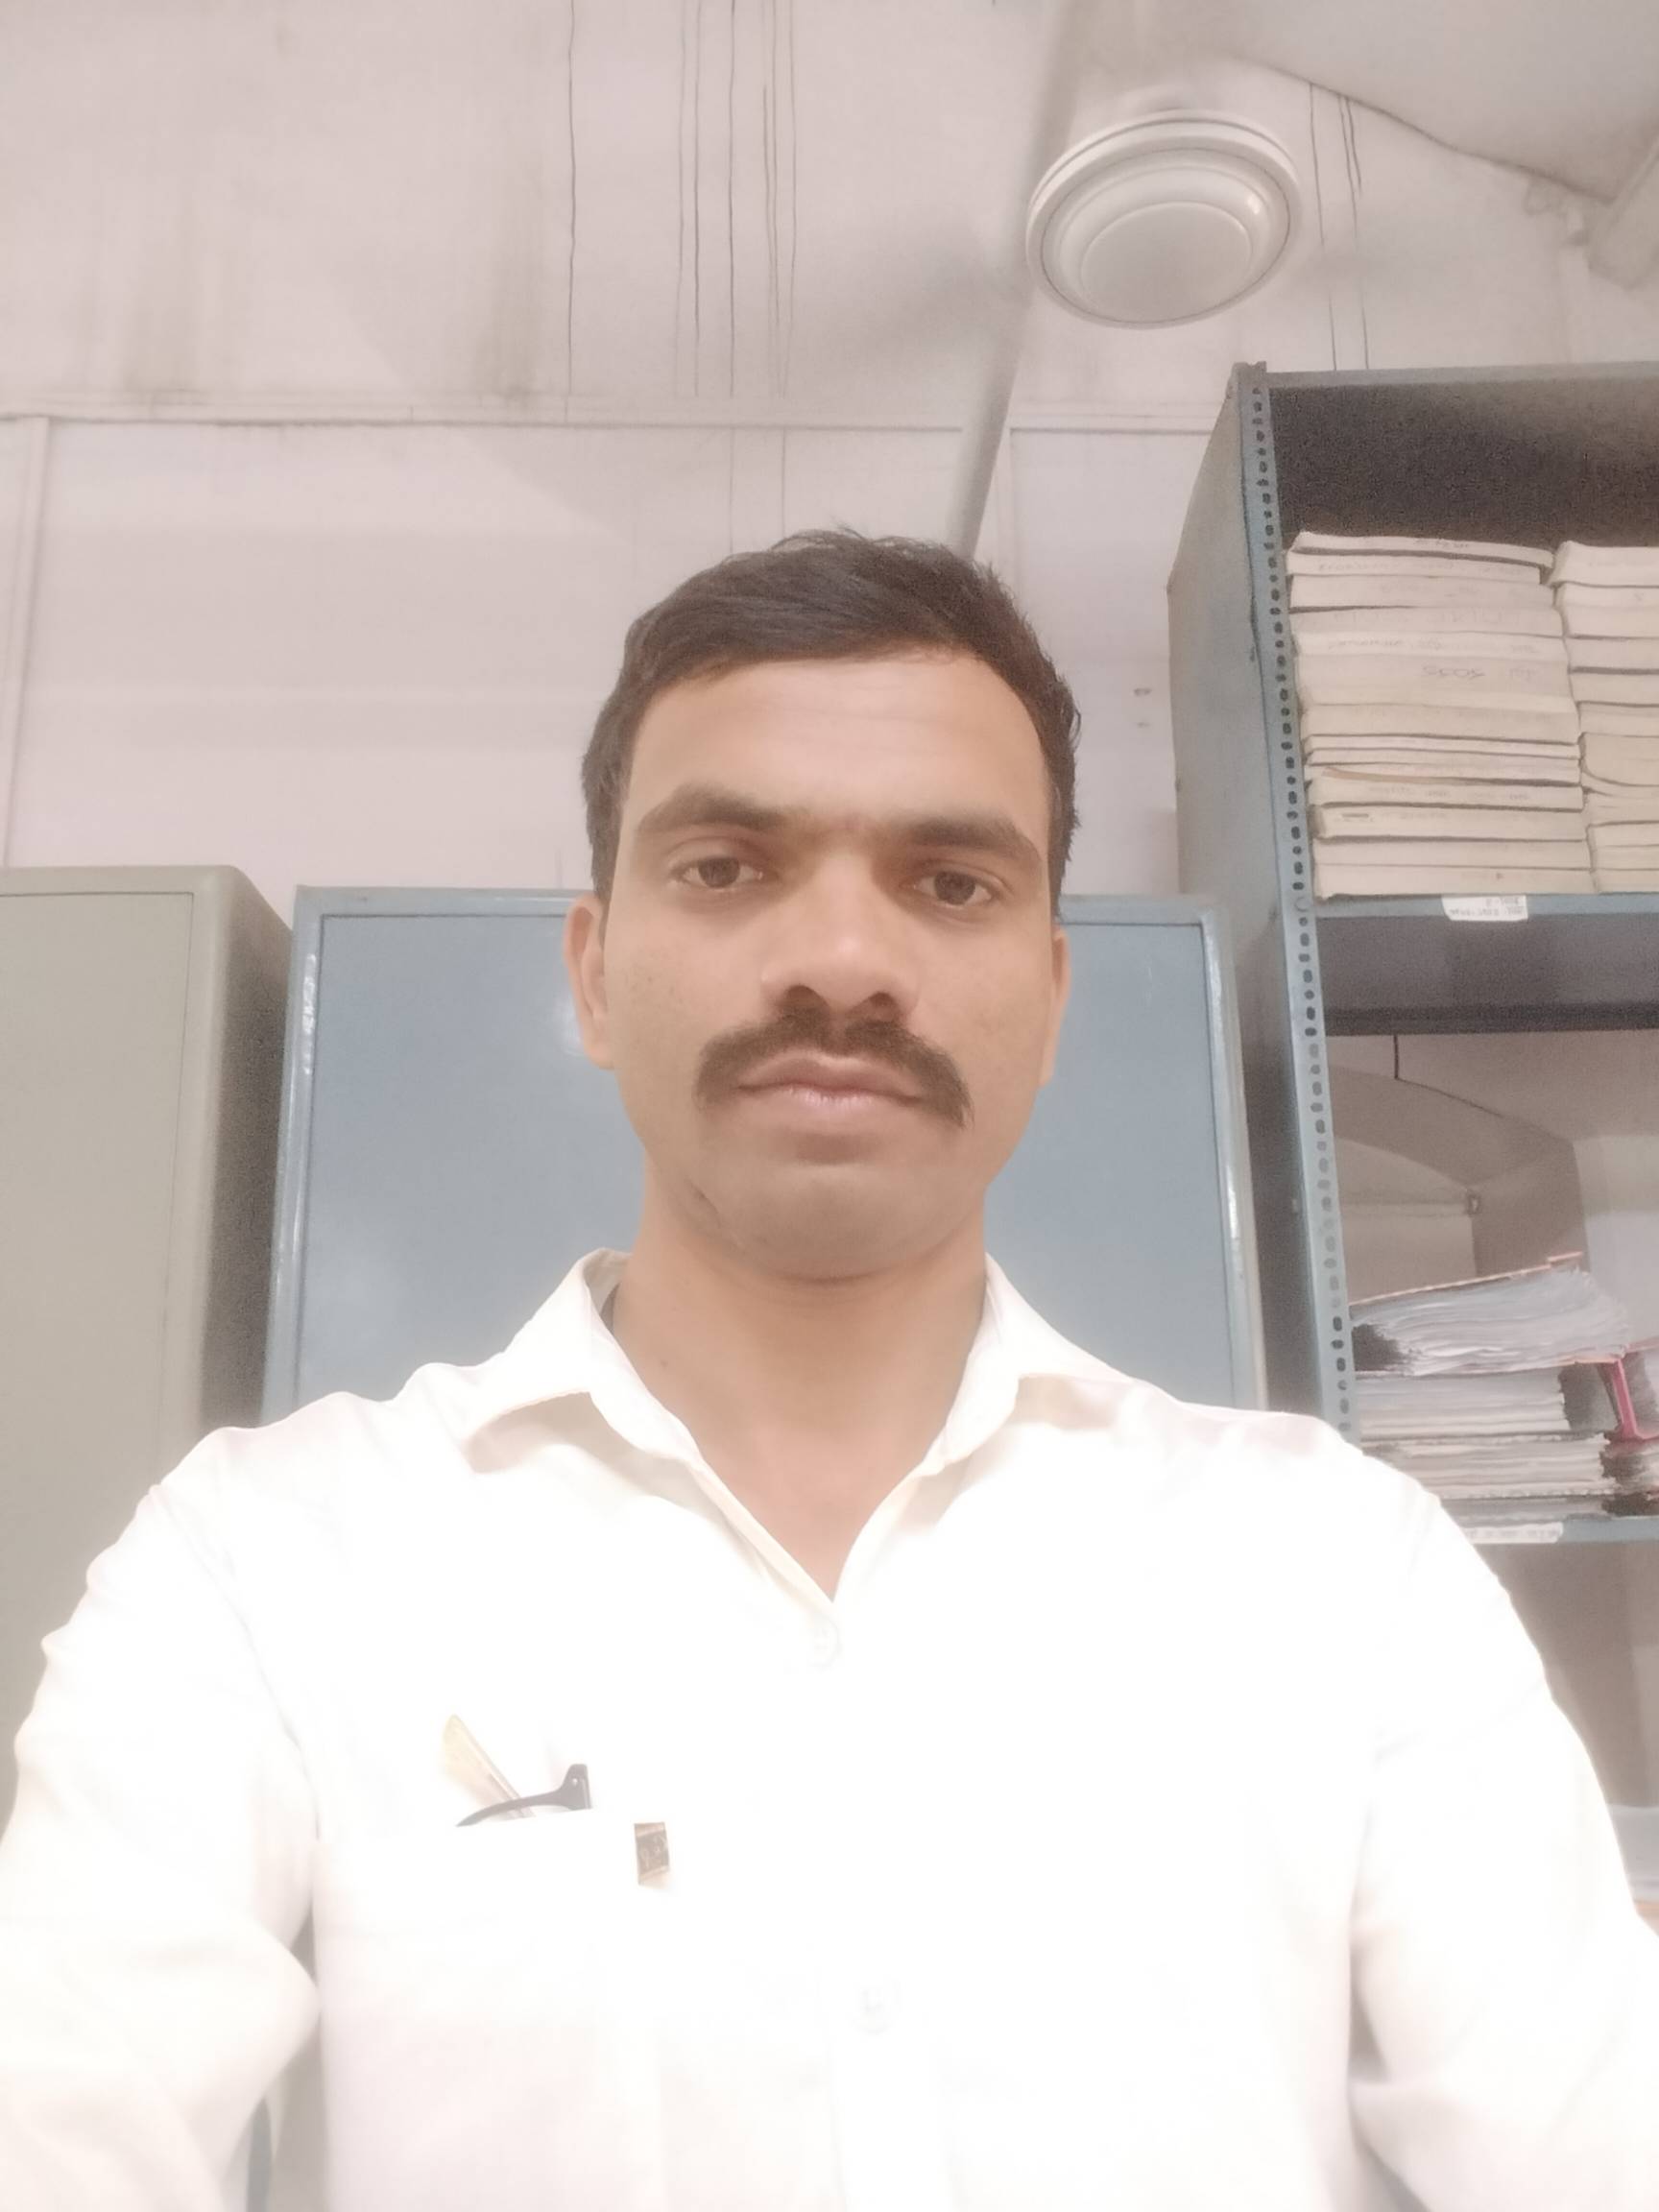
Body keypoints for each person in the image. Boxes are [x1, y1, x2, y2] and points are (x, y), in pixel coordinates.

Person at [1, 530, 1656, 2212]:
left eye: (952, 882)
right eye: (727, 866)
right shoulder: (264, 1563)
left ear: (1052, 998)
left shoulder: (1341, 1571)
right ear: (593, 973)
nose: (843, 961)